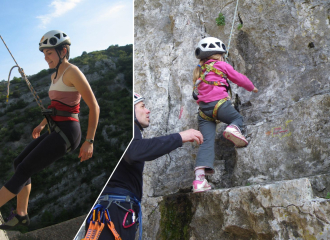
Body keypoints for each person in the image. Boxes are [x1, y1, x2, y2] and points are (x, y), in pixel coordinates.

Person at [0, 30, 100, 230]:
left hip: (68, 133)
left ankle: (20, 216)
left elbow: (95, 107)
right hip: (57, 127)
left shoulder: (72, 71)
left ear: (63, 50)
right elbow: (57, 105)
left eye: (49, 53)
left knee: (24, 169)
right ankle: (21, 215)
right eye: (44, 54)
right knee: (19, 162)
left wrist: (89, 141)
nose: (46, 58)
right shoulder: (56, 74)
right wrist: (42, 124)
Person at [83, 92, 203, 240]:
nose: (148, 110)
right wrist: (180, 137)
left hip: (108, 208)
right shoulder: (130, 128)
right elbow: (134, 151)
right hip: (116, 209)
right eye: (142, 106)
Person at [192, 37, 258, 193]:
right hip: (220, 104)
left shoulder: (199, 71)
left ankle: (199, 180)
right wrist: (252, 87)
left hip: (203, 112)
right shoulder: (221, 65)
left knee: (206, 141)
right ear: (219, 54)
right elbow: (238, 78)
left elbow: (196, 95)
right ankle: (233, 129)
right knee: (236, 118)